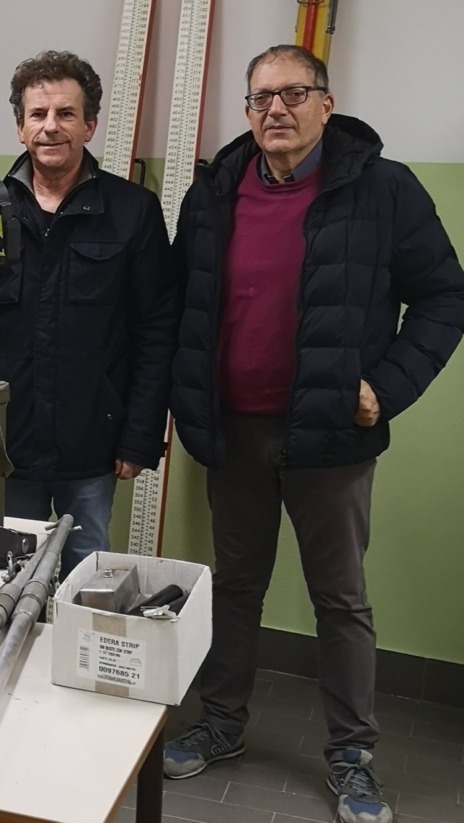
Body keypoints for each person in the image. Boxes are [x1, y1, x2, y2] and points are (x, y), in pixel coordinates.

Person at [164, 45, 464, 823]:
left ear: (326, 106)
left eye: (294, 94)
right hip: (233, 432)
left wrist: (387, 388)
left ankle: (353, 754)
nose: (276, 110)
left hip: (330, 436)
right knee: (235, 586)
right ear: (247, 110)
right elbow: (181, 308)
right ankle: (222, 723)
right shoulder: (214, 192)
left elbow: (443, 297)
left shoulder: (383, 190)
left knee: (340, 598)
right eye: (261, 97)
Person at [0, 51, 174, 579]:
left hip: (94, 445)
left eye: (66, 114)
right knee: (6, 583)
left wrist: (140, 436)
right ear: (20, 127)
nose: (51, 127)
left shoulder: (133, 211)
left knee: (84, 584)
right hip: (4, 447)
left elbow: (156, 333)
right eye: (38, 114)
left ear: (89, 125)